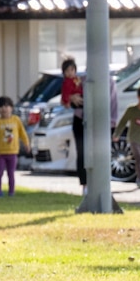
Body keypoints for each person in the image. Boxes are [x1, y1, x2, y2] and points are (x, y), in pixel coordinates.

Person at [115, 84, 140, 189]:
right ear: (139, 97)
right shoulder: (132, 110)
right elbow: (123, 122)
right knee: (139, 158)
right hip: (134, 138)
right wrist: (117, 134)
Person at [0, 96, 30, 196]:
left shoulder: (16, 120)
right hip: (0, 153)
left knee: (11, 174)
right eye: (1, 107)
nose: (4, 109)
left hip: (13, 152)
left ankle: (11, 192)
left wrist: (26, 144)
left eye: (6, 106)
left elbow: (22, 133)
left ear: (11, 107)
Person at [59, 57, 86, 186]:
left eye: (72, 70)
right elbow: (64, 98)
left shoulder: (79, 80)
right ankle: (84, 182)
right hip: (79, 114)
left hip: (82, 111)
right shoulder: (67, 82)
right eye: (67, 70)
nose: (70, 73)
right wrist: (69, 99)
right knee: (81, 151)